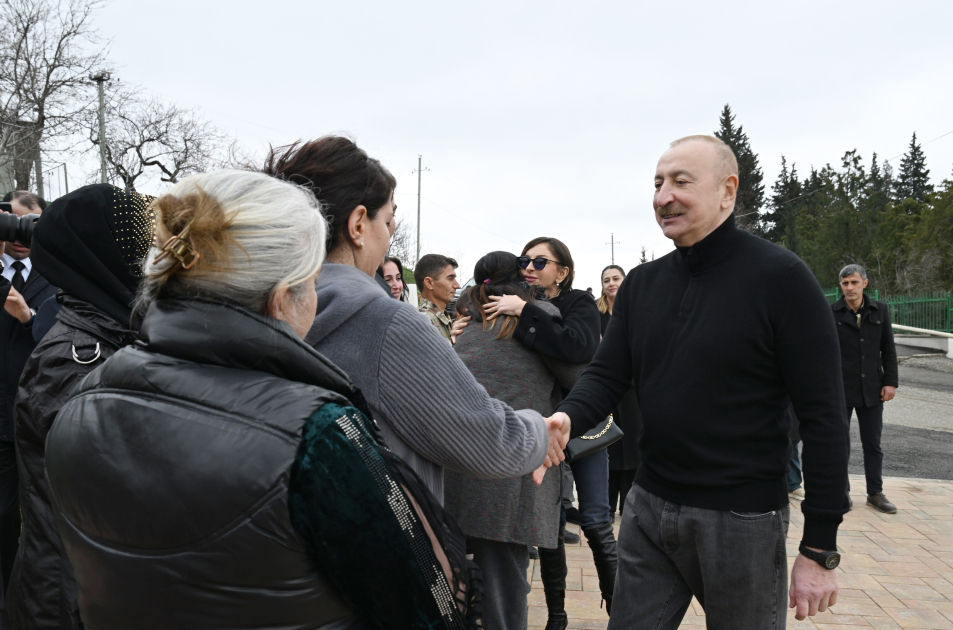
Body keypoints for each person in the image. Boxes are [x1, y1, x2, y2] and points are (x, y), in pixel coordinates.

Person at [45, 170, 481, 629]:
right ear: (281, 300)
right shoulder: (318, 435)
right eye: (313, 279)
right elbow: (424, 606)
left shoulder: (83, 401)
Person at [548, 135, 849, 628]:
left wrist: (820, 545)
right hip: (648, 508)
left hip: (742, 522)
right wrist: (567, 418)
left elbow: (825, 418)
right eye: (657, 183)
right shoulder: (643, 284)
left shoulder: (782, 278)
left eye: (680, 181)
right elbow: (605, 374)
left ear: (727, 191)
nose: (663, 195)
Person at [261, 137, 568, 505]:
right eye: (389, 220)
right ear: (358, 224)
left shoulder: (259, 308)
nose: (389, 235)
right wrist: (539, 430)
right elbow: (487, 440)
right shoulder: (383, 322)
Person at [3, 185, 155, 630]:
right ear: (105, 252)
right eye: (143, 245)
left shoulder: (110, 331)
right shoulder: (78, 361)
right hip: (71, 604)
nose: (156, 260)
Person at [445, 251, 585, 630]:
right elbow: (580, 377)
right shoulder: (539, 320)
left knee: (451, 583)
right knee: (504, 588)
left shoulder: (462, 325)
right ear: (520, 283)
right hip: (513, 470)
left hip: (456, 470)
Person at [481, 237, 612, 628]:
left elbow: (575, 349)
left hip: (582, 426)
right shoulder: (519, 305)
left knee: (594, 520)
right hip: (543, 432)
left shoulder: (578, 305)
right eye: (525, 260)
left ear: (563, 271)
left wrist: (524, 312)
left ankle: (617, 605)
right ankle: (557, 615)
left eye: (541, 261)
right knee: (550, 526)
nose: (530, 267)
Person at [0, 190, 56, 610]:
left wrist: (29, 317)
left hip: (41, 410)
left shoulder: (60, 273)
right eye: (13, 222)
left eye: (31, 225)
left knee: (45, 516)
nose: (21, 235)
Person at [833, 264, 899, 514]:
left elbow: (888, 350)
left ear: (865, 283)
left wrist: (890, 382)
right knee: (840, 443)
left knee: (873, 443)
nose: (849, 287)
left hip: (872, 388)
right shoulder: (832, 313)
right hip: (842, 389)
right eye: (845, 283)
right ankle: (842, 491)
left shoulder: (879, 310)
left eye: (854, 282)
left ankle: (875, 493)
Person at [595, 265, 642, 521]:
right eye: (606, 280)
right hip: (607, 390)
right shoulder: (596, 312)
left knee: (633, 449)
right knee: (608, 447)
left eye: (615, 279)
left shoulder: (638, 309)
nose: (611, 283)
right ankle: (606, 507)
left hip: (634, 390)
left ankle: (630, 506)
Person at [415, 253, 460, 342]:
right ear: (429, 283)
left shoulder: (441, 317)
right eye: (450, 278)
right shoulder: (423, 322)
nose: (457, 285)